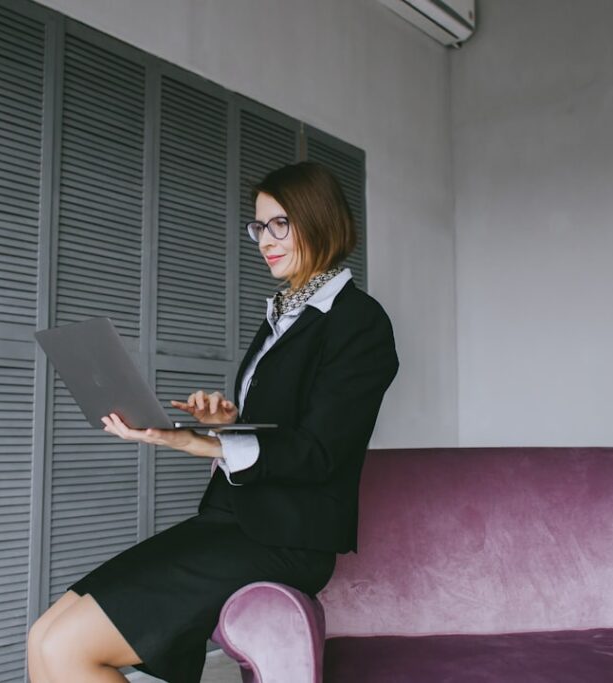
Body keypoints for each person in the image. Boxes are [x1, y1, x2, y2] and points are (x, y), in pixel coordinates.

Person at [26, 161, 399, 683]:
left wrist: (195, 444)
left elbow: (319, 453)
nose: (264, 240)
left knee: (67, 649)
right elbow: (280, 427)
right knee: (44, 637)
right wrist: (229, 422)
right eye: (259, 226)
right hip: (233, 521)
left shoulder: (360, 323)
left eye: (279, 224)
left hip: (286, 541)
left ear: (320, 220)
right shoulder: (282, 314)